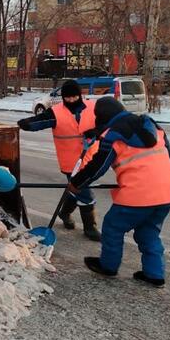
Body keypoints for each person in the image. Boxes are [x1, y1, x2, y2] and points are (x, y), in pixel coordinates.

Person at [68, 96, 170, 287]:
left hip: (138, 195)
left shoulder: (113, 135)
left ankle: (108, 266)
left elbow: (98, 165)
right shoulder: (152, 126)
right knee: (149, 232)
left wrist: (77, 182)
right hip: (167, 192)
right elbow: (169, 156)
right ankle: (154, 274)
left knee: (113, 227)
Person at [16, 79, 101, 240]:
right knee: (85, 194)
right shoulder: (56, 112)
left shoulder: (93, 107)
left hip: (92, 159)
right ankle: (90, 228)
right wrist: (26, 123)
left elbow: (107, 123)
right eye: (67, 98)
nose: (71, 100)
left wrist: (96, 131)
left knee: (76, 188)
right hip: (70, 162)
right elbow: (40, 121)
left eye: (74, 97)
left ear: (80, 95)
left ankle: (64, 212)